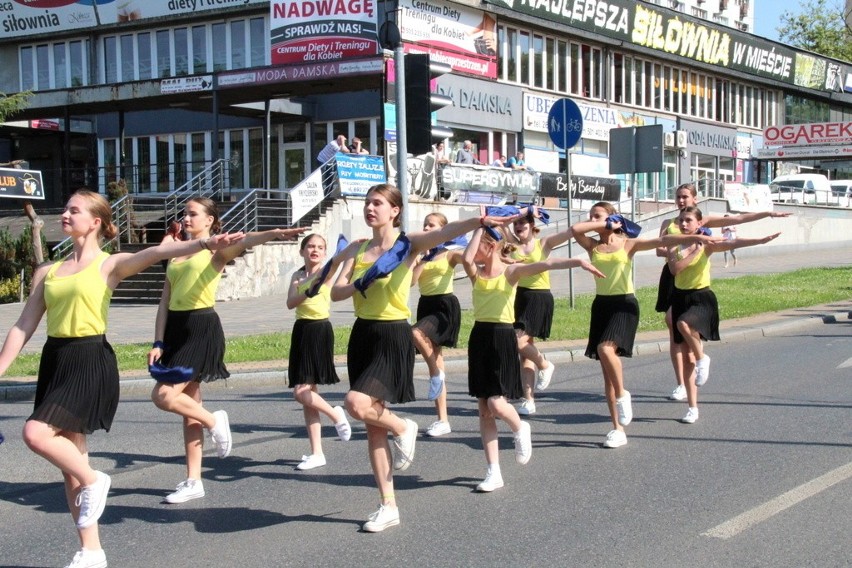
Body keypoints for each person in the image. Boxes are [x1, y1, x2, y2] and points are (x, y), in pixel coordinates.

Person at [0, 189, 244, 568]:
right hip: (55, 360)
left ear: (95, 222)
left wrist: (205, 242)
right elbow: (23, 325)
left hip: (89, 360)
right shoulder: (48, 271)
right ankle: (91, 550)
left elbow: (159, 253)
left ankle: (96, 480)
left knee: (36, 434)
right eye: (65, 209)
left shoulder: (108, 265)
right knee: (71, 459)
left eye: (73, 210)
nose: (64, 215)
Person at [328, 183, 516, 531]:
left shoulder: (408, 244)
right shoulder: (358, 247)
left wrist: (476, 221)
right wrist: (359, 283)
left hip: (392, 336)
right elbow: (336, 291)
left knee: (356, 403)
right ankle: (388, 505)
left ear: (394, 210)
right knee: (372, 428)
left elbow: (445, 231)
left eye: (378, 203)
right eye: (368, 203)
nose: (371, 208)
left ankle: (404, 425)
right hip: (362, 336)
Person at [147, 197, 306, 505]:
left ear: (210, 221)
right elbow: (164, 301)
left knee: (164, 396)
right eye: (185, 213)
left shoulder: (215, 252)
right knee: (187, 403)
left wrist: (272, 232)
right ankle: (194, 480)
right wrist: (158, 342)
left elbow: (246, 241)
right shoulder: (178, 254)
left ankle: (215, 421)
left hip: (201, 328)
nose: (186, 218)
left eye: (193, 214)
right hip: (175, 332)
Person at [462, 224, 604, 492]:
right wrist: (477, 229)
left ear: (490, 246)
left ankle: (519, 427)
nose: (472, 248)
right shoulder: (476, 273)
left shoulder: (511, 271)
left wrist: (579, 262)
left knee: (495, 402)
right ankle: (493, 471)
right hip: (479, 338)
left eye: (478, 242)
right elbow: (466, 258)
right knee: (483, 410)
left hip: (502, 337)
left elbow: (546, 264)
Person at [572, 202, 716, 448]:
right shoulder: (594, 246)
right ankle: (617, 429)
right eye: (592, 217)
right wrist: (603, 223)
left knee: (606, 349)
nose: (593, 220)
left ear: (613, 218)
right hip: (601, 307)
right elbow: (576, 229)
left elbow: (662, 242)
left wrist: (696, 236)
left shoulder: (629, 244)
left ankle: (622, 395)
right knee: (606, 372)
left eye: (598, 216)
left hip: (624, 306)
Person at [655, 183, 791, 402]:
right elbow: (659, 249)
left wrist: (767, 213)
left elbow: (736, 220)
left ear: (695, 200)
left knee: (681, 323)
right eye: (678, 197)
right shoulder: (669, 223)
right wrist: (685, 243)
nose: (681, 201)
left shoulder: (704, 220)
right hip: (673, 274)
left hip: (694, 276)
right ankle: (681, 382)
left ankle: (696, 366)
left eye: (685, 197)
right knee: (672, 327)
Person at [666, 206, 780, 424]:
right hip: (680, 298)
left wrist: (760, 241)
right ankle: (692, 408)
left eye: (688, 220)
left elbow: (732, 243)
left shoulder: (707, 246)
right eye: (681, 220)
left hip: (701, 299)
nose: (683, 224)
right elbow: (675, 269)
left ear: (699, 224)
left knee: (682, 324)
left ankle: (703, 357)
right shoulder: (674, 243)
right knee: (687, 358)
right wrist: (694, 249)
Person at [286, 233, 351, 471]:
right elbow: (291, 303)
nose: (315, 250)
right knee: (308, 397)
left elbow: (339, 261)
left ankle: (336, 415)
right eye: (311, 246)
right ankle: (317, 452)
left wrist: (351, 249)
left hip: (319, 330)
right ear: (303, 251)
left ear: (324, 253)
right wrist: (307, 289)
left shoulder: (326, 273)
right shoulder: (297, 275)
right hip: (301, 330)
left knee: (301, 392)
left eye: (320, 247)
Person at [505, 210, 572, 416]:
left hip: (539, 297)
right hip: (518, 297)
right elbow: (499, 223)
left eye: (523, 223)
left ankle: (545, 364)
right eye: (516, 223)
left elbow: (571, 232)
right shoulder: (511, 244)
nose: (518, 226)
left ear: (532, 225)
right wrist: (516, 213)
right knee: (524, 350)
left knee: (519, 343)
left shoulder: (544, 243)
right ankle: (528, 399)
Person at [411, 213, 464, 437]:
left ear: (442, 229)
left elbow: (470, 258)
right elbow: (412, 281)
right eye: (425, 224)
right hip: (426, 304)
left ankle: (434, 373)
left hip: (445, 306)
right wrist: (423, 259)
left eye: (431, 224)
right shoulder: (419, 254)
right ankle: (443, 420)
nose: (426, 226)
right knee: (437, 359)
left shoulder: (450, 253)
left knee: (415, 333)